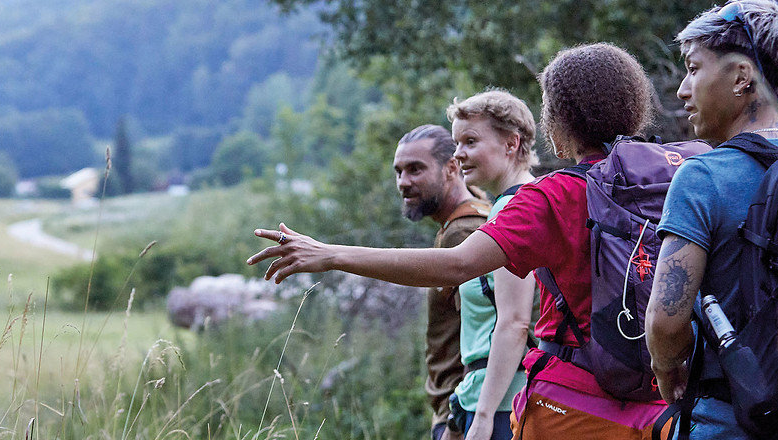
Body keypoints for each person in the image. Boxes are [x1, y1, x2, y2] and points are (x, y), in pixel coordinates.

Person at [247, 43, 667, 439]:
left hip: (575, 407)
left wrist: (331, 254)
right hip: (663, 400)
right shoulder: (679, 169)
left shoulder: (551, 196)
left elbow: (458, 264)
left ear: (559, 119)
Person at [645, 1, 778, 438]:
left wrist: (667, 368)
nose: (683, 89)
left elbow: (665, 320)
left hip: (730, 418)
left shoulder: (702, 176)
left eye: (694, 68)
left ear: (741, 77)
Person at [446, 90, 539, 440]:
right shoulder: (507, 206)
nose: (459, 154)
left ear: (511, 143)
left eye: (470, 141)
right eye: (457, 143)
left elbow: (515, 322)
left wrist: (483, 417)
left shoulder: (518, 209)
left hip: (505, 405)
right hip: (489, 395)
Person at [395, 124, 491, 440]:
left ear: (452, 168)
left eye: (415, 170)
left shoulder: (462, 233)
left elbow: (486, 335)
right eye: (399, 171)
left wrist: (457, 421)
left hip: (461, 416)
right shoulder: (466, 217)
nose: (403, 182)